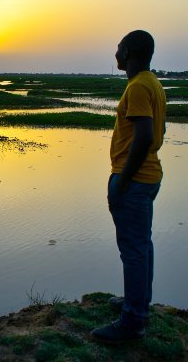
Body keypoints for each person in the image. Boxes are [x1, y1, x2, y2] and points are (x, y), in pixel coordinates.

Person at [91, 30, 166, 343]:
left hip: (133, 180)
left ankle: (133, 322)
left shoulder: (137, 87)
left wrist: (123, 180)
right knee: (142, 246)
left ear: (130, 53)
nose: (116, 52)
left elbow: (145, 136)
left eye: (119, 47)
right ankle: (137, 303)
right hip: (149, 178)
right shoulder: (152, 83)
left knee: (133, 251)